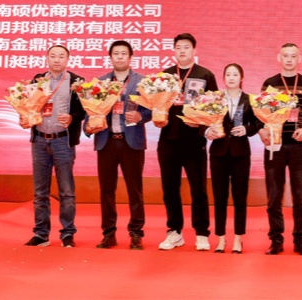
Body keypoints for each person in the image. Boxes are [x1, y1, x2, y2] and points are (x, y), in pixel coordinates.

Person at [85, 41, 151, 250]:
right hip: (107, 142)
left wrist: (141, 116)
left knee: (135, 190)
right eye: (116, 53)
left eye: (124, 53)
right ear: (110, 57)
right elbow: (90, 111)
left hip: (131, 142)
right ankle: (109, 233)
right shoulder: (100, 83)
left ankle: (136, 233)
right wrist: (88, 127)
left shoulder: (142, 82)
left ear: (130, 57)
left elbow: (153, 109)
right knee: (107, 190)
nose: (120, 57)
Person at [155, 33, 218, 251]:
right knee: (169, 188)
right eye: (178, 47)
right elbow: (156, 104)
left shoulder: (205, 75)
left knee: (198, 189)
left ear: (194, 51)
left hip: (194, 142)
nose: (182, 51)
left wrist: (201, 127)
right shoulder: (164, 76)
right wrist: (158, 117)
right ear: (174, 51)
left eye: (186, 47)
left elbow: (214, 108)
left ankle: (201, 233)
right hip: (168, 140)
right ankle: (174, 232)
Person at [20, 45, 85, 248]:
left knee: (66, 191)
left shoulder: (76, 82)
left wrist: (72, 118)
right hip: (39, 140)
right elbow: (28, 107)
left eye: (61, 56)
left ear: (67, 59)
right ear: (47, 58)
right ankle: (41, 234)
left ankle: (67, 233)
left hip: (62, 141)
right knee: (40, 192)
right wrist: (24, 117)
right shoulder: (37, 81)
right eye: (53, 56)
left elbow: (83, 111)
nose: (57, 60)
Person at [258, 43, 302, 256]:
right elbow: (261, 113)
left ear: (299, 58)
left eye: (293, 56)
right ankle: (276, 239)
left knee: (300, 197)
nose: (289, 59)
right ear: (279, 57)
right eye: (286, 55)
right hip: (275, 145)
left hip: (300, 146)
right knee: (274, 195)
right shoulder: (270, 84)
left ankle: (300, 240)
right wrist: (261, 130)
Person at [206, 64, 262, 254]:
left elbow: (257, 123)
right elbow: (202, 120)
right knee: (219, 197)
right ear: (223, 78)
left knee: (240, 197)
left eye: (235, 74)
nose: (231, 78)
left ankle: (238, 238)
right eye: (228, 74)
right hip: (218, 153)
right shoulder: (214, 99)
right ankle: (221, 238)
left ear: (241, 77)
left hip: (241, 154)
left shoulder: (249, 100)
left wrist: (247, 129)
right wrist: (207, 130)